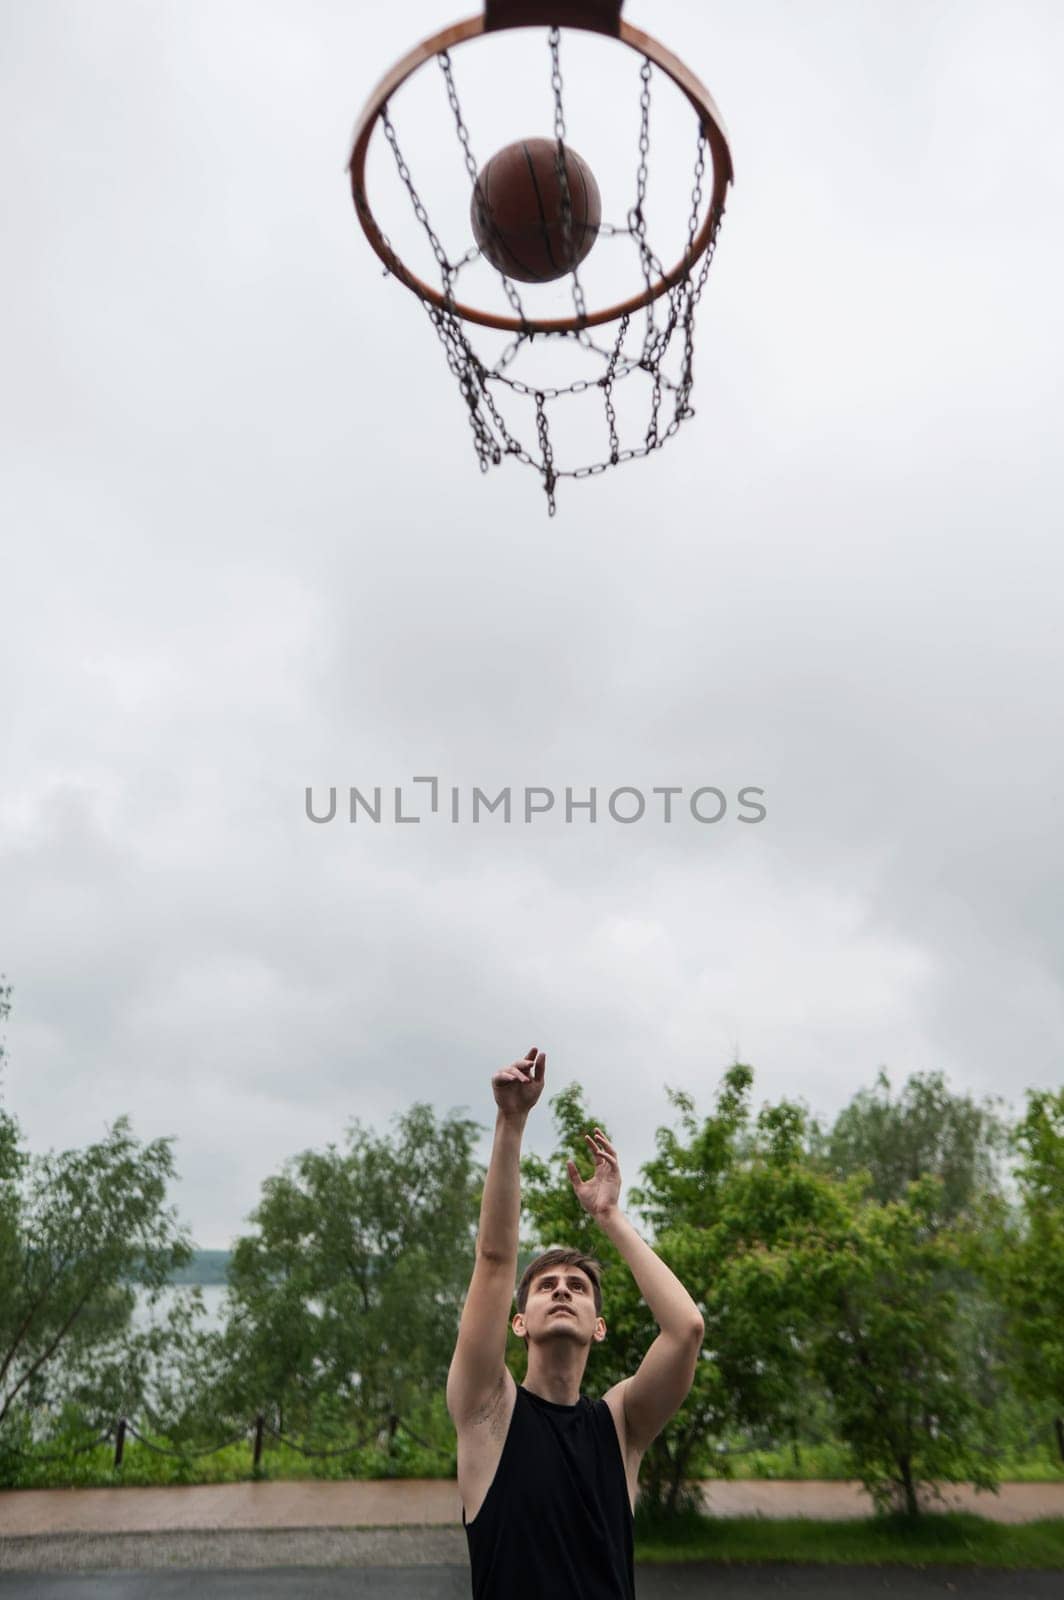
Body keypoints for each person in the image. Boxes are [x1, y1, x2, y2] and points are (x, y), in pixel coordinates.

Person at [447, 1046, 705, 1600]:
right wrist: (510, 1121)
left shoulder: (620, 1427)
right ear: (519, 1323)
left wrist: (610, 1216)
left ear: (599, 1326)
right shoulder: (487, 1411)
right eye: (546, 1285)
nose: (562, 1288)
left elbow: (685, 1330)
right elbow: (494, 1262)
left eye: (579, 1287)